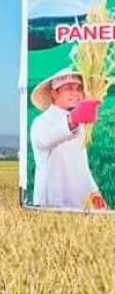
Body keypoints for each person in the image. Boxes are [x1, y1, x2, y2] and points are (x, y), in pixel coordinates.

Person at [30, 69, 107, 210]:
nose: (75, 92)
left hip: (81, 204)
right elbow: (48, 138)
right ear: (54, 94)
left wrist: (94, 192)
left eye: (79, 88)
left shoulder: (81, 126)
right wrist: (74, 119)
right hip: (51, 204)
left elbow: (81, 164)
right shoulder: (41, 122)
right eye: (69, 88)